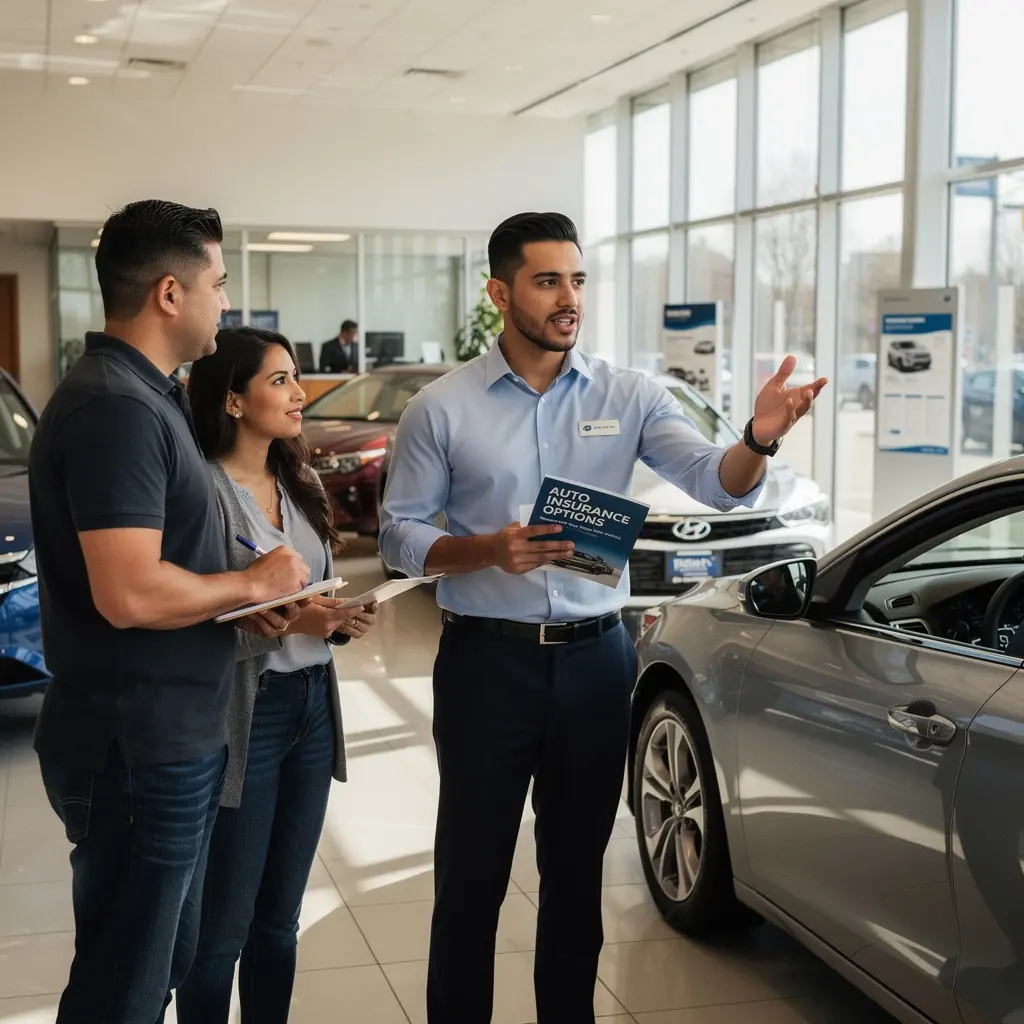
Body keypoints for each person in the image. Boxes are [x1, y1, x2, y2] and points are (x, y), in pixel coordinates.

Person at [378, 211, 826, 1024]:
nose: (568, 298)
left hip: (596, 662)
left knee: (578, 879)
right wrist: (487, 551)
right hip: (487, 663)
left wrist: (757, 438)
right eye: (548, 281)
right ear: (499, 292)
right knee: (471, 876)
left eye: (577, 280)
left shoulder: (631, 394)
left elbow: (714, 480)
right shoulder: (442, 409)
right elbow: (399, 535)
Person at [28, 200, 311, 1023]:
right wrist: (251, 584)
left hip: (165, 738)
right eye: (218, 284)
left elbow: (157, 578)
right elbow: (129, 592)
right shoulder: (117, 406)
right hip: (134, 749)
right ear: (168, 294)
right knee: (126, 985)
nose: (227, 302)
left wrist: (229, 607)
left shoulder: (146, 397)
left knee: (159, 966)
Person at [176, 326, 378, 1023]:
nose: (300, 393)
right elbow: (193, 622)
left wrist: (341, 619)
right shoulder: (200, 490)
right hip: (247, 715)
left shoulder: (300, 477)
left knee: (279, 918)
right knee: (223, 928)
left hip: (311, 709)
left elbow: (312, 591)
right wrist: (297, 623)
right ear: (232, 401)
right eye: (280, 380)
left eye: (297, 377)